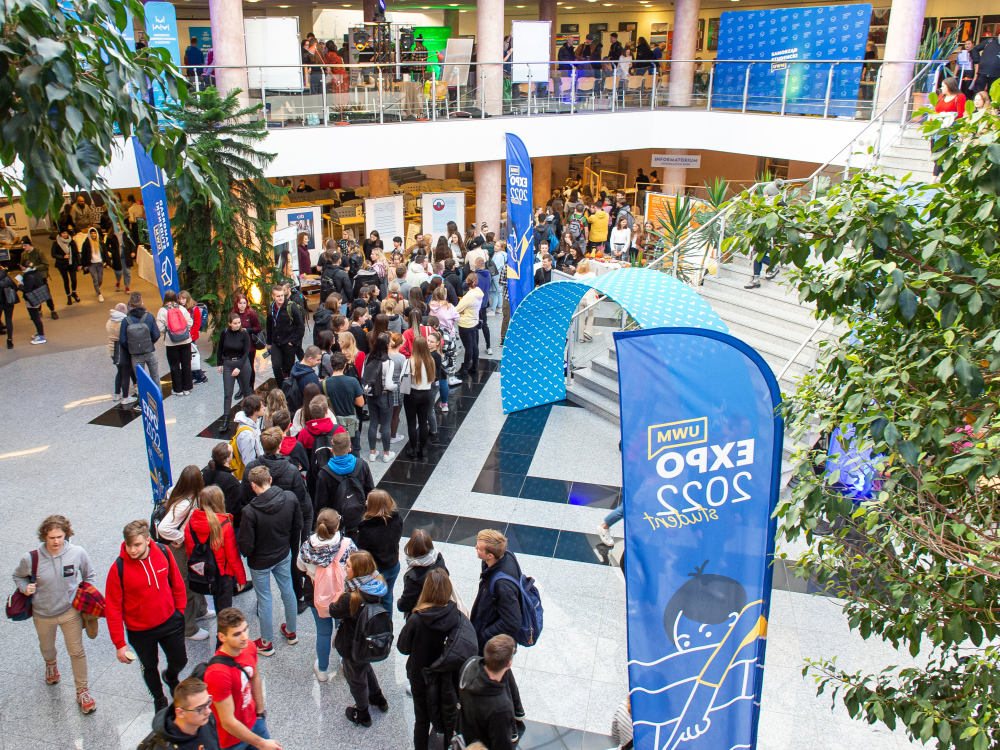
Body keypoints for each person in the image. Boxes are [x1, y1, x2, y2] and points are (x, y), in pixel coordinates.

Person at [13, 515, 96, 714]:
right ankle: (51, 664)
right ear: (44, 537)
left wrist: (85, 594)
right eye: (52, 538)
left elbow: (89, 575)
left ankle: (82, 691)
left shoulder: (77, 552)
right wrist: (25, 588)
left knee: (76, 651)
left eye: (60, 536)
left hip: (70, 611)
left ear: (66, 534)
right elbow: (18, 576)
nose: (57, 541)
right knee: (47, 647)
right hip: (43, 614)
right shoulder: (31, 558)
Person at [105, 520, 187, 713]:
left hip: (169, 620)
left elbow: (177, 582)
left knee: (180, 660)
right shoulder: (118, 569)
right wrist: (119, 644)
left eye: (137, 545)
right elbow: (113, 608)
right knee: (149, 667)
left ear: (148, 540)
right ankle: (159, 698)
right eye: (128, 545)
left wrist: (180, 612)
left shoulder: (164, 553)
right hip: (140, 631)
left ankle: (172, 676)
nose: (132, 550)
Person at [398, 569, 477, 750]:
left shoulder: (416, 619)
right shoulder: (457, 616)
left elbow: (403, 648)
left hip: (420, 678)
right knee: (449, 719)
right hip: (446, 678)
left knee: (422, 720)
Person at [239, 465, 303, 656]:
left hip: (259, 562)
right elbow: (297, 524)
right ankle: (291, 631)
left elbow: (246, 545)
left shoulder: (249, 511)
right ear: (270, 480)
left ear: (253, 485)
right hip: (283, 553)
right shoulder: (290, 498)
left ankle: (266, 642)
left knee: (265, 599)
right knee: (288, 591)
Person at [204, 608, 282, 750]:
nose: (244, 637)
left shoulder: (249, 646)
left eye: (245, 629)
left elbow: (254, 677)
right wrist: (262, 743)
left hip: (255, 721)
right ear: (222, 637)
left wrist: (260, 712)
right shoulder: (217, 674)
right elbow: (227, 722)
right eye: (237, 634)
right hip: (232, 740)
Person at [468, 530, 526, 719]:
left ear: (490, 555)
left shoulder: (502, 584)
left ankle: (507, 717)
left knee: (496, 677)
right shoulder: (505, 556)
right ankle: (517, 710)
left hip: (492, 638)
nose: (476, 547)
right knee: (503, 671)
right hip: (489, 627)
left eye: (480, 547)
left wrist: (485, 634)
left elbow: (512, 622)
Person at [330, 550, 390, 727]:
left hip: (353, 643)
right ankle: (378, 698)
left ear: (358, 571)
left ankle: (363, 713)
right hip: (368, 640)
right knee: (365, 667)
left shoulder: (351, 597)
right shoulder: (377, 583)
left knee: (356, 678)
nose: (344, 567)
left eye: (347, 566)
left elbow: (334, 610)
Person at [297, 508, 356, 682]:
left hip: (315, 593)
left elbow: (300, 567)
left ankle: (322, 670)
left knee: (323, 632)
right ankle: (344, 660)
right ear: (337, 527)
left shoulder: (307, 545)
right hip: (341, 594)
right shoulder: (348, 544)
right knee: (343, 626)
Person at [156, 466, 212, 641]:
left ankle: (200, 610)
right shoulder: (185, 504)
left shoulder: (176, 492)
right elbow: (163, 528)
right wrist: (181, 538)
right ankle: (189, 628)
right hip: (180, 550)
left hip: (185, 547)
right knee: (186, 584)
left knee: (196, 575)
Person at [185, 486, 246, 613]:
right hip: (222, 575)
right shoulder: (225, 525)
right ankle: (221, 633)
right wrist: (241, 578)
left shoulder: (190, 522)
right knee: (224, 611)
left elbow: (191, 550)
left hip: (203, 572)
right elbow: (233, 557)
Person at [458, 634, 519, 750]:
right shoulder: (501, 708)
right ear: (509, 664)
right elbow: (502, 745)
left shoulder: (469, 664)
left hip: (466, 737)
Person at [313, 430, 375, 539]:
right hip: (359, 516)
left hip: (337, 522)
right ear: (350, 449)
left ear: (332, 450)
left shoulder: (324, 473)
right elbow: (371, 491)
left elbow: (321, 503)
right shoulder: (362, 465)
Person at [356, 490, 403, 610]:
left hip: (377, 570)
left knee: (372, 601)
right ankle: (387, 623)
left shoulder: (366, 529)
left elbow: (362, 552)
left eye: (368, 501)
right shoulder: (397, 520)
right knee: (387, 598)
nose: (365, 502)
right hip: (393, 565)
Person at [147, 677, 221, 750]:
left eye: (208, 702)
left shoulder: (205, 719)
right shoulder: (166, 747)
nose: (208, 711)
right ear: (180, 713)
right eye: (199, 708)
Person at [397, 529, 449, 618]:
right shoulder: (438, 558)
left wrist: (399, 602)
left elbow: (405, 605)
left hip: (419, 615)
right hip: (440, 609)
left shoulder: (413, 576)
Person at [364, 333, 398, 463]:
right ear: (387, 345)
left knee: (372, 424)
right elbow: (389, 384)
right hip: (384, 395)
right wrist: (395, 386)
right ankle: (386, 454)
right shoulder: (388, 362)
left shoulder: (369, 358)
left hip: (371, 395)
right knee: (385, 425)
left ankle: (372, 453)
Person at [217, 312, 253, 429]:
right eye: (235, 323)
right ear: (229, 324)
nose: (238, 325)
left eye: (239, 323)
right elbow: (220, 348)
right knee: (228, 393)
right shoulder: (225, 332)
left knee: (245, 390)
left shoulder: (244, 334)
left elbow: (246, 353)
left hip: (242, 363)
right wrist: (219, 363)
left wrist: (238, 367)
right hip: (228, 363)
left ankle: (248, 416)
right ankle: (226, 420)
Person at [403, 336, 437, 459]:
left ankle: (413, 448)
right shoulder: (431, 360)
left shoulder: (410, 361)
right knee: (423, 422)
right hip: (426, 393)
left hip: (412, 394)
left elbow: (403, 376)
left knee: (411, 423)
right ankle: (423, 449)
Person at [157, 290, 195, 396]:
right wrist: (182, 331)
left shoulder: (162, 311)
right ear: (175, 298)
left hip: (171, 343)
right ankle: (187, 388)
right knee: (186, 364)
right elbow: (190, 323)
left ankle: (177, 390)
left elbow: (160, 328)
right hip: (185, 341)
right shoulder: (181, 308)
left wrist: (170, 332)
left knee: (174, 365)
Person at [120, 291, 160, 392]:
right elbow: (156, 334)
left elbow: (123, 340)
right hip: (150, 351)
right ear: (142, 303)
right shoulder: (149, 317)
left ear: (130, 304)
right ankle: (158, 399)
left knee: (140, 380)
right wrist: (149, 343)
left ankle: (143, 401)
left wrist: (132, 347)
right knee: (155, 376)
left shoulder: (126, 321)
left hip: (135, 355)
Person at [267, 285, 305, 389]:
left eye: (282, 295)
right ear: (273, 296)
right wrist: (269, 342)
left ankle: (292, 388)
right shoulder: (271, 307)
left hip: (288, 343)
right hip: (276, 343)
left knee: (289, 367)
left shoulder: (291, 307)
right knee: (276, 366)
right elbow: (269, 325)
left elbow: (300, 326)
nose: (281, 298)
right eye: (278, 296)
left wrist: (293, 341)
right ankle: (281, 388)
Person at [203, 442, 245, 530]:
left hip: (209, 517)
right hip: (227, 523)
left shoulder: (206, 471)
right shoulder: (231, 481)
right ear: (227, 459)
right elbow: (234, 508)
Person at [19, 236, 58, 319]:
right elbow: (23, 266)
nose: (23, 247)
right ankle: (39, 311)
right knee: (35, 295)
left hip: (40, 277)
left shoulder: (39, 252)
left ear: (29, 244)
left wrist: (34, 267)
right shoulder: (24, 254)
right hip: (29, 279)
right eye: (22, 246)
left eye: (25, 245)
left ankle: (52, 310)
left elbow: (45, 264)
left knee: (46, 294)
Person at [455, 273, 483, 377]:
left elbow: (457, 309)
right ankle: (475, 365)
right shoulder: (478, 292)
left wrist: (461, 311)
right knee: (474, 345)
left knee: (468, 347)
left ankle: (465, 368)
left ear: (467, 283)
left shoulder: (469, 295)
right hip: (474, 321)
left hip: (465, 323)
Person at [18, 255, 50, 344]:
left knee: (35, 317)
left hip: (32, 298)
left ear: (24, 267)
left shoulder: (28, 276)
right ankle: (39, 333)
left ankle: (41, 336)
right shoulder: (37, 272)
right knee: (36, 316)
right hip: (38, 296)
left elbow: (27, 289)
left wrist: (20, 286)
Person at [178, 291, 207, 384]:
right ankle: (194, 374)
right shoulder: (180, 308)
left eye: (183, 298)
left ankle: (201, 375)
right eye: (180, 298)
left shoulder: (194, 309)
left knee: (191, 356)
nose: (181, 300)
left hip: (191, 337)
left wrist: (189, 335)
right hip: (183, 336)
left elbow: (197, 325)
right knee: (188, 356)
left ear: (187, 298)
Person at [233, 394, 266, 471]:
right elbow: (248, 461)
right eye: (262, 407)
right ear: (255, 410)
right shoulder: (247, 435)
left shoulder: (253, 423)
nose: (264, 408)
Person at [107, 302, 132, 401]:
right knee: (126, 373)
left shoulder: (109, 321)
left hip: (113, 349)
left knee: (119, 372)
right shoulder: (124, 322)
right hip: (122, 349)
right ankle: (125, 396)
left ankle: (117, 394)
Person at [50, 229, 80, 306]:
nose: (65, 234)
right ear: (60, 234)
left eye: (66, 233)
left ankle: (74, 292)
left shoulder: (72, 242)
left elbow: (76, 253)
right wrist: (62, 256)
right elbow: (53, 254)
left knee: (74, 279)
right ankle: (68, 296)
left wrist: (79, 264)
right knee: (66, 281)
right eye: (63, 233)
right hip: (62, 264)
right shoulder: (56, 243)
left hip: (71, 263)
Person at [80, 227, 107, 301]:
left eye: (94, 233)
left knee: (100, 279)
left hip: (100, 263)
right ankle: (99, 294)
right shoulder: (86, 244)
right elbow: (84, 255)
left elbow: (105, 252)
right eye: (91, 233)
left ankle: (98, 287)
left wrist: (107, 263)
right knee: (95, 278)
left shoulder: (100, 242)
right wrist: (84, 265)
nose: (93, 234)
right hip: (91, 264)